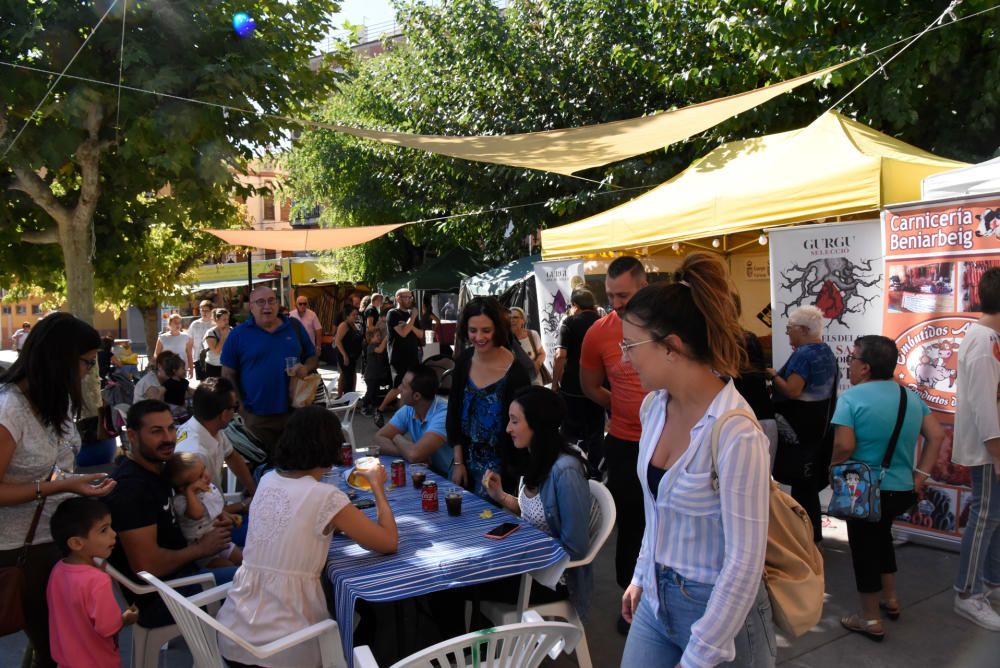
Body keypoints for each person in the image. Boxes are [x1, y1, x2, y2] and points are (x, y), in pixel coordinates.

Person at [619, 253, 774, 668]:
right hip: (655, 598)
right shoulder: (653, 408)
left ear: (671, 347)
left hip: (721, 612)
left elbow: (744, 563)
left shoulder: (736, 432)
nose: (623, 359)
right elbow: (658, 512)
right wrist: (641, 575)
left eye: (630, 346)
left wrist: (699, 654)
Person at [216, 406, 398, 668]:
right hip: (284, 647)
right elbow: (388, 542)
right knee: (371, 624)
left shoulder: (268, 480)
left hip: (234, 632)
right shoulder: (326, 497)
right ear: (331, 446)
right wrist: (378, 487)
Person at [0, 313, 116, 668]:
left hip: (59, 535)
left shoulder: (58, 398)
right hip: (20, 547)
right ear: (58, 359)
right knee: (55, 646)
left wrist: (80, 491)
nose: (88, 370)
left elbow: (61, 464)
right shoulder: (9, 408)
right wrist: (64, 485)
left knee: (61, 642)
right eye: (84, 362)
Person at [831, 335, 944, 640]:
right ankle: (889, 599)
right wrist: (920, 475)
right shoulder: (910, 397)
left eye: (852, 359)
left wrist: (833, 469)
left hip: (863, 490)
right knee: (881, 538)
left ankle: (869, 619)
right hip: (902, 490)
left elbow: (844, 445)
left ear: (865, 367)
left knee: (863, 549)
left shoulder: (851, 399)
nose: (849, 365)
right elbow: (936, 436)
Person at [104, 400, 235, 628]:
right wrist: (201, 549)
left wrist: (217, 517)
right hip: (164, 597)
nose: (168, 438)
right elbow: (147, 566)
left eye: (171, 428)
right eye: (156, 431)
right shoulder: (131, 489)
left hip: (188, 571)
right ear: (133, 436)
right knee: (260, 581)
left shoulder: (159, 469)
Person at [481, 386, 595, 617]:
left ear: (537, 424)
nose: (507, 428)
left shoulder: (565, 471)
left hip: (552, 580)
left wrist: (523, 549)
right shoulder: (536, 457)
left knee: (465, 583)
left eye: (514, 421)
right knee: (467, 576)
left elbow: (576, 548)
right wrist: (500, 497)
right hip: (529, 568)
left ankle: (474, 650)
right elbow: (534, 513)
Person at [579, 255, 648, 631]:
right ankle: (631, 603)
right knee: (633, 525)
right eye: (610, 295)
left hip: (676, 442)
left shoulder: (669, 325)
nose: (616, 303)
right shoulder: (599, 331)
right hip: (625, 442)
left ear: (644, 288)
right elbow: (590, 386)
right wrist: (621, 406)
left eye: (624, 295)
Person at [952, 267, 1000, 631]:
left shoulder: (988, 338)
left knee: (994, 519)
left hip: (993, 448)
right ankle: (967, 594)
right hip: (990, 451)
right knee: (985, 518)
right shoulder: (984, 343)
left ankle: (990, 584)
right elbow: (986, 407)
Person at [447, 297, 531, 499]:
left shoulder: (516, 373)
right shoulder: (464, 361)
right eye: (473, 330)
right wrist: (458, 463)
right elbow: (453, 414)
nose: (479, 337)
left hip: (505, 472)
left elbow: (524, 429)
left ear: (498, 329)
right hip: (465, 467)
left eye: (486, 330)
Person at [767, 304, 838, 543]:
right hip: (818, 428)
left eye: (789, 329)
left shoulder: (804, 354)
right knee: (807, 486)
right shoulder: (826, 352)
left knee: (801, 486)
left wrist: (773, 376)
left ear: (803, 329)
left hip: (799, 428)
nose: (787, 333)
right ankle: (811, 536)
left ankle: (804, 538)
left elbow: (793, 390)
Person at [221, 286, 319, 455]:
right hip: (257, 417)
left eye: (271, 300)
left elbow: (312, 357)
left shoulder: (293, 327)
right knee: (264, 470)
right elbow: (227, 374)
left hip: (294, 413)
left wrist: (306, 367)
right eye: (260, 302)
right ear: (251, 306)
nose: (267, 306)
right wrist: (240, 406)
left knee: (297, 465)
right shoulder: (238, 334)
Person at [47, 498, 138, 668]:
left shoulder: (58, 570)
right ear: (76, 543)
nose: (113, 533)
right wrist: (126, 619)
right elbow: (108, 628)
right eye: (104, 530)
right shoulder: (98, 580)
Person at [176, 376, 257, 496]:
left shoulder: (212, 428)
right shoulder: (196, 453)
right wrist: (244, 505)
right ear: (224, 414)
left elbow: (231, 456)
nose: (236, 412)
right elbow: (201, 511)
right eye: (234, 407)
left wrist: (254, 491)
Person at [165, 452, 243, 569]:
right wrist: (190, 492)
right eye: (199, 476)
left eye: (204, 469)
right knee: (228, 566)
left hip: (220, 541)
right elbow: (197, 514)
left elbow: (213, 508)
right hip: (201, 552)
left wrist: (228, 516)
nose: (206, 476)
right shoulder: (181, 501)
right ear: (183, 488)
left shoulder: (206, 489)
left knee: (241, 559)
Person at [374, 364, 452, 478]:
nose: (399, 388)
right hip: (425, 472)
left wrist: (396, 437)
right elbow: (378, 439)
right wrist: (406, 452)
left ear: (416, 396)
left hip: (448, 479)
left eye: (404, 386)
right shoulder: (409, 408)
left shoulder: (443, 414)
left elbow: (414, 455)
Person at [552, 288, 603, 457]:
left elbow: (560, 356)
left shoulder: (569, 322)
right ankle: (595, 471)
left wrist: (554, 385)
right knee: (596, 432)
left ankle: (573, 469)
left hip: (573, 386)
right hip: (599, 386)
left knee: (570, 434)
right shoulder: (603, 322)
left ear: (575, 305)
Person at [509, 307, 546, 385]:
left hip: (534, 380)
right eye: (509, 317)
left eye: (515, 317)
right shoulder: (505, 339)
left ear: (523, 320)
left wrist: (537, 364)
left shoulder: (532, 335)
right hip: (515, 383)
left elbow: (542, 353)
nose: (511, 320)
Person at [334, 304, 364, 397]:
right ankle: (345, 398)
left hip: (353, 356)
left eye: (356, 315)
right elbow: (337, 341)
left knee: (351, 376)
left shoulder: (353, 325)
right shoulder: (344, 325)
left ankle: (350, 396)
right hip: (345, 355)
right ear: (347, 316)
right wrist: (344, 355)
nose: (356, 316)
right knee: (347, 378)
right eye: (353, 315)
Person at [362, 327, 391, 418]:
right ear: (371, 338)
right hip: (371, 375)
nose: (380, 337)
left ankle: (374, 407)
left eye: (380, 336)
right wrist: (385, 339)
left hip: (377, 375)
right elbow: (380, 350)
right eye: (377, 336)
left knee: (375, 392)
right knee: (370, 392)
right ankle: (364, 407)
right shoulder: (371, 346)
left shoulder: (378, 345)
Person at [154, 313, 194, 379]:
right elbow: (156, 355)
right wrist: (157, 368)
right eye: (175, 322)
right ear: (169, 324)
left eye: (179, 322)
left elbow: (189, 354)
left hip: (181, 369)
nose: (178, 324)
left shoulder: (186, 337)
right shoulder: (162, 337)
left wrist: (191, 369)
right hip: (166, 369)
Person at [187, 300, 216, 380]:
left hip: (213, 359)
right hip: (198, 358)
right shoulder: (194, 324)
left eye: (206, 310)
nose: (204, 313)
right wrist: (190, 363)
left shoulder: (215, 324)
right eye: (202, 310)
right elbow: (189, 344)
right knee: (203, 384)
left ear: (211, 311)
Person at [203, 308, 231, 378]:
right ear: (216, 320)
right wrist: (223, 336)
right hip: (213, 367)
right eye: (224, 319)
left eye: (227, 319)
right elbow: (216, 351)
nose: (227, 322)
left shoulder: (231, 330)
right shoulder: (210, 333)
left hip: (228, 366)